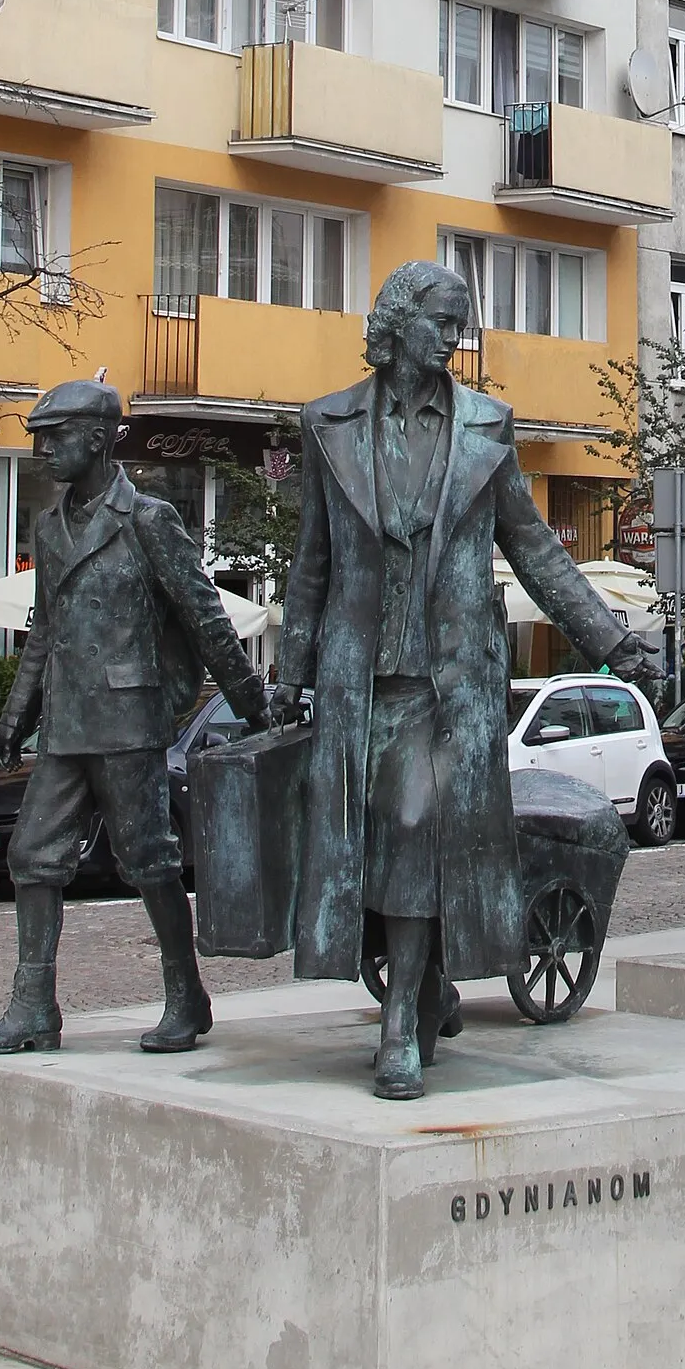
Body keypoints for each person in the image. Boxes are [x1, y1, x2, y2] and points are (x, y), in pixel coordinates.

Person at [275, 260, 659, 1099]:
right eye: (444, 321)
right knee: (356, 844)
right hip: (359, 677)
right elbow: (313, 560)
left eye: (463, 323)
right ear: (399, 322)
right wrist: (288, 669)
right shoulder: (329, 422)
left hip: (450, 682)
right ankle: (428, 984)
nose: (456, 337)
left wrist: (612, 642)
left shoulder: (487, 427)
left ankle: (398, 1032)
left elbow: (532, 546)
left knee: (414, 826)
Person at [0, 376, 267, 1060]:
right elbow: (44, 632)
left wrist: (255, 707)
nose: (43, 452)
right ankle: (34, 1006)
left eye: (54, 438)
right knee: (31, 855)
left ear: (96, 439)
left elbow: (206, 620)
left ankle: (186, 995)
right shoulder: (47, 525)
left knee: (149, 861)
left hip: (129, 721)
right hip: (66, 724)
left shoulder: (148, 520)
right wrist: (16, 715)